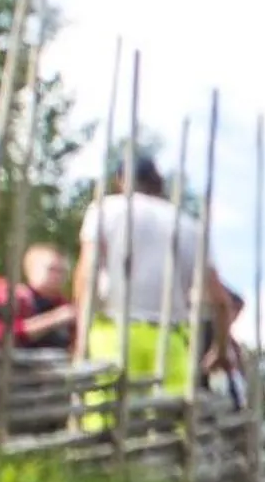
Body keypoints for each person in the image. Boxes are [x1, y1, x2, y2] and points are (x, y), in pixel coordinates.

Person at [73, 155, 237, 394]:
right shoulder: (190, 226)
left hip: (112, 334)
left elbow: (86, 275)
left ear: (121, 180)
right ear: (159, 185)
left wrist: (80, 336)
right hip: (171, 341)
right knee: (168, 426)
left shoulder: (106, 209)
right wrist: (220, 349)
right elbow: (222, 302)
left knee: (105, 425)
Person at [0, 243, 76, 352]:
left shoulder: (64, 304)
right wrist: (53, 319)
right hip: (12, 364)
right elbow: (1, 335)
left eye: (62, 271)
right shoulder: (15, 298)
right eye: (51, 269)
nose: (58, 276)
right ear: (31, 270)